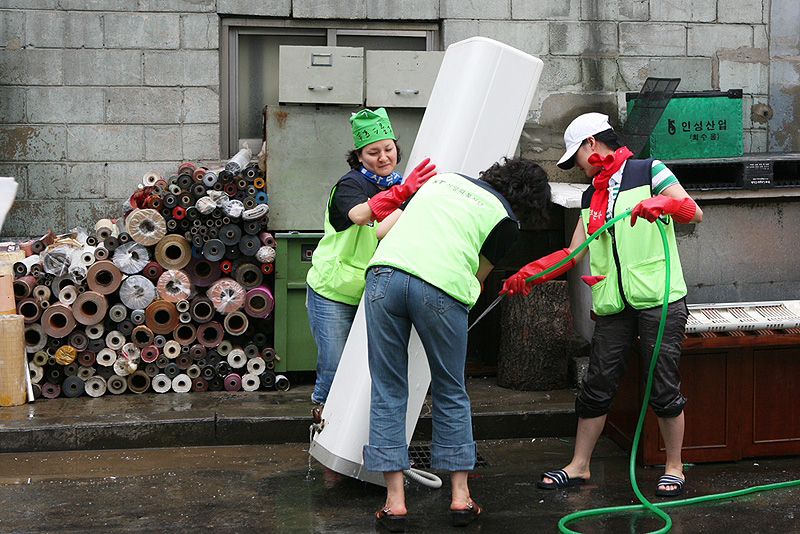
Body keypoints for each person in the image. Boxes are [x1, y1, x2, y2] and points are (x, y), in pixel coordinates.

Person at [502, 112, 703, 498]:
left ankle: (674, 467)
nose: (575, 164)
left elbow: (695, 212)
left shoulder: (650, 171)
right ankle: (579, 466)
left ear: (592, 144)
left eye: (574, 155)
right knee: (597, 384)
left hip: (659, 297)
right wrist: (530, 273)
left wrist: (664, 204)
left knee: (662, 385)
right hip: (614, 303)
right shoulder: (589, 194)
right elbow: (574, 251)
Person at [363, 157, 552, 532]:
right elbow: (478, 278)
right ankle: (461, 498)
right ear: (530, 202)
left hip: (384, 276)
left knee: (387, 388)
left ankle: (395, 503)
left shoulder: (444, 181)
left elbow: (388, 229)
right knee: (450, 390)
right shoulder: (506, 222)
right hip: (440, 289)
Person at [306, 108, 436, 411]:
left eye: (388, 149)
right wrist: (404, 192)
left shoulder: (397, 185)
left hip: (372, 290)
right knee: (334, 366)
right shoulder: (350, 185)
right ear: (360, 156)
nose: (383, 157)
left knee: (369, 367)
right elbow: (360, 215)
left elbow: (382, 232)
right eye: (373, 152)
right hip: (333, 291)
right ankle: (322, 419)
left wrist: (412, 199)